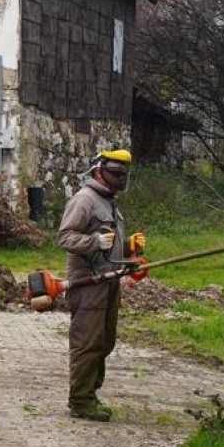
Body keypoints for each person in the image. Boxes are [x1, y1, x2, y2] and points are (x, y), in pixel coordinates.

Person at [56, 148, 138, 422]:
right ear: (98, 171)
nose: (120, 179)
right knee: (87, 343)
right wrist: (93, 242)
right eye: (115, 173)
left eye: (123, 174)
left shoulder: (109, 202)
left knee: (104, 343)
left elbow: (109, 245)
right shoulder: (84, 200)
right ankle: (80, 401)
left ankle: (90, 393)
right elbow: (65, 237)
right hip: (88, 283)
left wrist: (128, 247)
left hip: (109, 282)